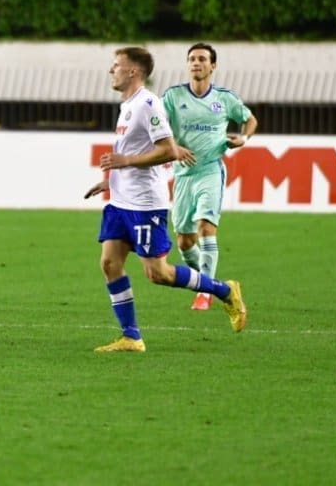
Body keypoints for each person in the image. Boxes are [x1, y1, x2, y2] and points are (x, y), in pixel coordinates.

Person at [84, 47, 246, 353]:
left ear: (133, 71)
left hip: (145, 205)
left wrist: (126, 161)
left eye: (116, 65)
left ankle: (224, 290)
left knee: (158, 273)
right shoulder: (128, 104)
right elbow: (134, 150)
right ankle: (131, 337)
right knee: (109, 263)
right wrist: (112, 179)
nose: (111, 70)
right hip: (121, 202)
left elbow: (168, 150)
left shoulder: (148, 104)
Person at [162, 43, 257, 311]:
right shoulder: (172, 96)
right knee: (184, 242)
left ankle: (204, 293)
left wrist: (244, 138)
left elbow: (250, 120)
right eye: (192, 58)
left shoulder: (224, 98)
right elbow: (156, 125)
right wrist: (173, 148)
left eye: (202, 59)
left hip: (210, 170)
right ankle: (209, 283)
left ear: (212, 66)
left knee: (206, 227)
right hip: (183, 175)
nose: (196, 62)